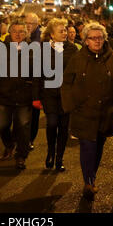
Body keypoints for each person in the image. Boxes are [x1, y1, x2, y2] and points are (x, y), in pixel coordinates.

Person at [61, 22, 113, 201]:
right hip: (83, 112)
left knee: (98, 147)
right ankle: (88, 182)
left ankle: (91, 177)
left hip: (105, 113)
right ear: (85, 41)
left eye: (100, 38)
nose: (97, 41)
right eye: (93, 38)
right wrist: (69, 105)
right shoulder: (77, 58)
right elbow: (66, 82)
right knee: (87, 146)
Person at [34, 19, 77, 172]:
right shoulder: (43, 50)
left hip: (66, 96)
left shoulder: (72, 49)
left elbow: (77, 73)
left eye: (65, 30)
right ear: (52, 34)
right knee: (52, 124)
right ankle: (50, 152)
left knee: (64, 128)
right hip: (49, 94)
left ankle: (59, 158)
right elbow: (37, 74)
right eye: (61, 31)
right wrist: (36, 96)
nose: (65, 33)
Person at [0, 19, 34, 170]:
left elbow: (38, 73)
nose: (18, 34)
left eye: (21, 31)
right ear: (9, 33)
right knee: (2, 125)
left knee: (23, 126)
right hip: (5, 96)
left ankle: (21, 156)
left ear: (26, 33)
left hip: (24, 97)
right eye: (15, 31)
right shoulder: (1, 48)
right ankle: (9, 145)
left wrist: (32, 90)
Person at [25, 13, 41, 150]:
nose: (28, 25)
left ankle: (30, 139)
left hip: (35, 83)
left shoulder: (41, 39)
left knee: (34, 115)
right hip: (21, 83)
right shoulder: (22, 36)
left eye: (31, 23)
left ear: (37, 24)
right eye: (27, 23)